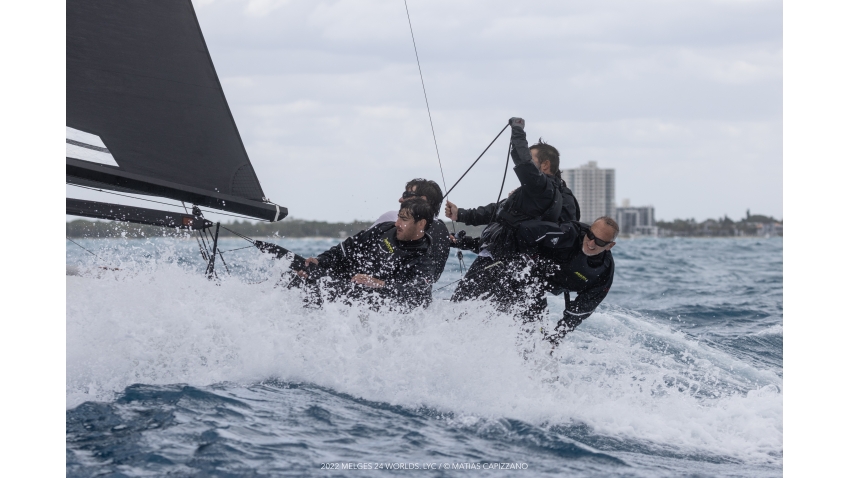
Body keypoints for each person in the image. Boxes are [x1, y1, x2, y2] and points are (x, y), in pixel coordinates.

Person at [445, 117, 579, 305]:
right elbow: (499, 212)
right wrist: (461, 214)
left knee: (458, 309)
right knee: (520, 327)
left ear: (545, 165)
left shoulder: (544, 189)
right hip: (517, 267)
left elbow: (523, 163)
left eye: (533, 160)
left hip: (507, 264)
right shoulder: (536, 194)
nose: (529, 165)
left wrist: (517, 130)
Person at [289, 198, 436, 311]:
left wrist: (378, 283)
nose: (397, 223)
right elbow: (346, 248)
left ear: (421, 223)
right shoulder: (384, 230)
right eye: (398, 217)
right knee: (298, 277)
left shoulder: (423, 259)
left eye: (403, 219)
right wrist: (320, 261)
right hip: (345, 283)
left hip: (372, 303)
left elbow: (418, 294)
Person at [371, 179, 451, 283]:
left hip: (377, 288)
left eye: (406, 194)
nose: (400, 199)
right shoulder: (442, 230)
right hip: (416, 295)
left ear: (423, 199)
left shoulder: (391, 217)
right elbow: (433, 277)